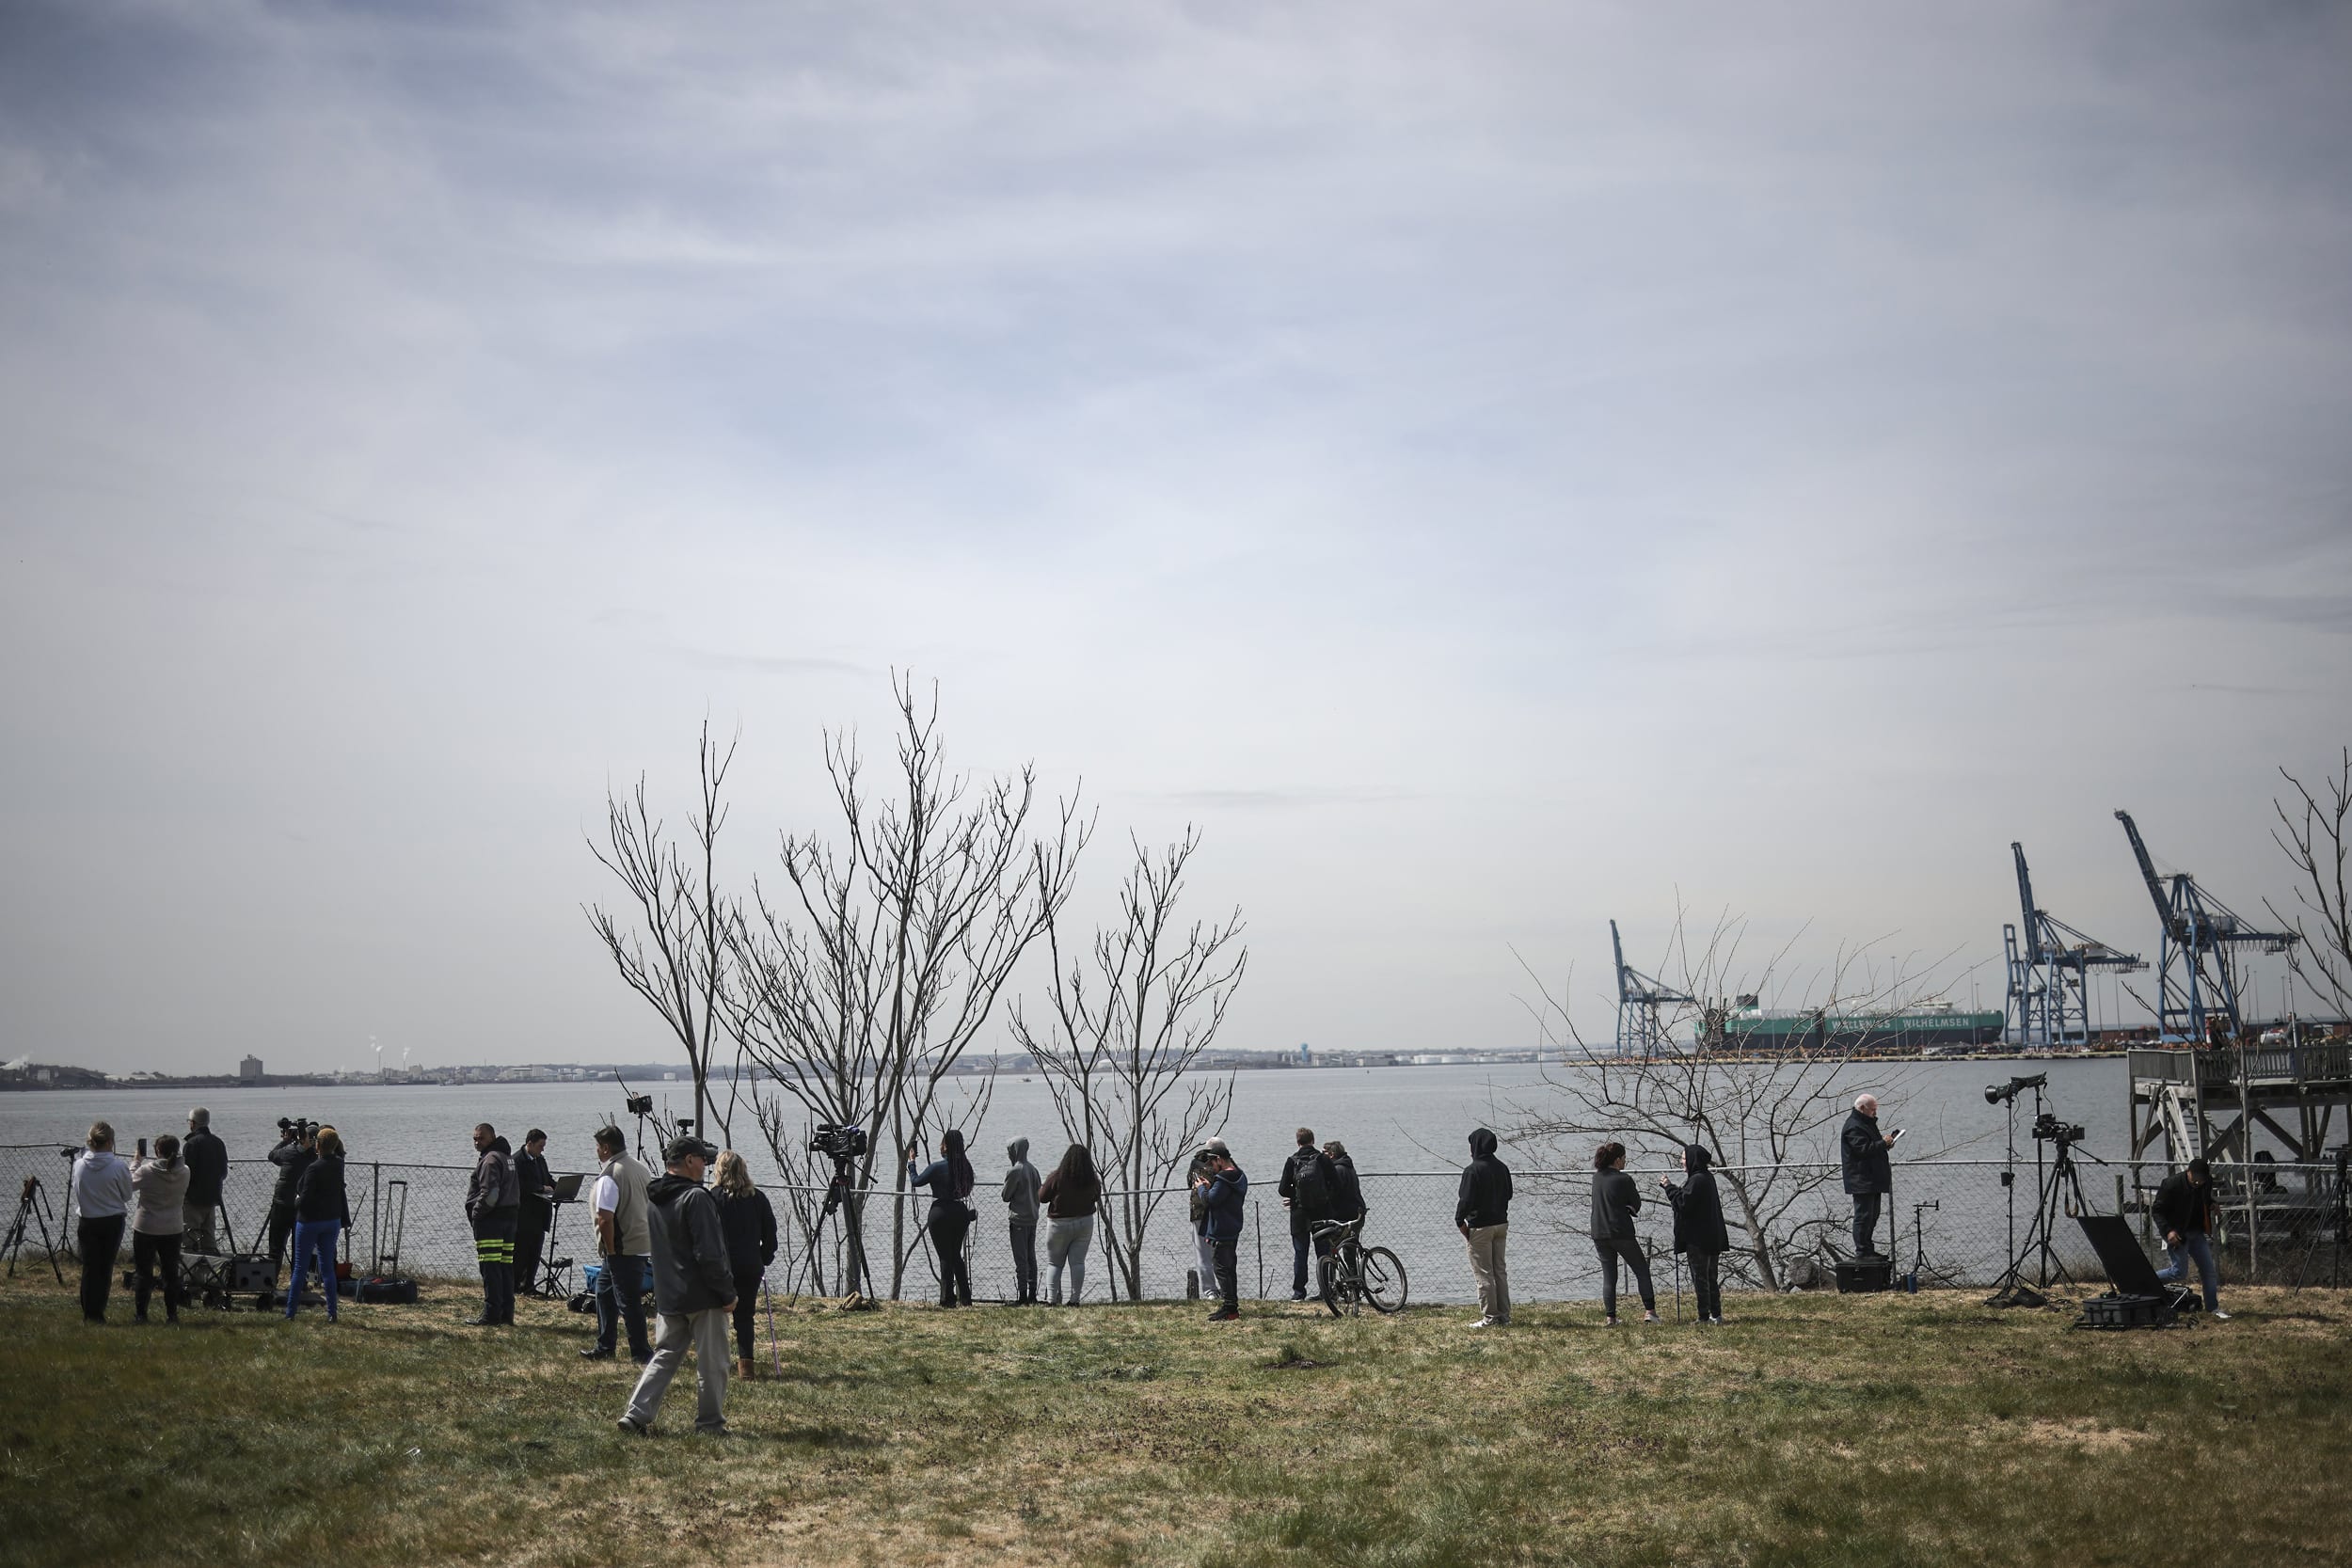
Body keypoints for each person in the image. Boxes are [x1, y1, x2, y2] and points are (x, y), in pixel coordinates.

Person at [619, 1137, 737, 1437]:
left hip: (669, 1294)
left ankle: (635, 1414)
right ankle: (710, 1424)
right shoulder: (696, 1198)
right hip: (702, 1295)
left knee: (665, 1355)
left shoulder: (655, 1199)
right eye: (702, 1159)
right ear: (688, 1161)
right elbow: (710, 1254)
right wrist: (727, 1293)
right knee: (713, 1364)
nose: (705, 1164)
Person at [584, 1126, 655, 1363]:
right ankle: (605, 1346)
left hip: (622, 1249)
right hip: (641, 1243)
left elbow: (605, 1218)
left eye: (597, 1146)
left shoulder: (611, 1175)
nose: (596, 1151)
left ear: (605, 1148)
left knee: (628, 1301)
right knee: (603, 1292)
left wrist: (611, 1250)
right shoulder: (640, 1168)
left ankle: (642, 1353)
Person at [710, 1150, 777, 1379]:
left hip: (720, 1267)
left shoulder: (713, 1198)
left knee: (716, 1315)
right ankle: (746, 1365)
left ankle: (716, 1363)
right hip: (750, 1265)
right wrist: (764, 1257)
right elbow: (770, 1233)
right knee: (745, 1316)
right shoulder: (757, 1198)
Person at [286, 1127, 351, 1322]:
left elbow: (304, 1199)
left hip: (309, 1221)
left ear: (318, 1145)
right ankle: (332, 1313)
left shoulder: (314, 1168)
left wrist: (295, 1200)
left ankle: (290, 1313)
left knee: (300, 1268)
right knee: (327, 1269)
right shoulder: (339, 1164)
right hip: (331, 1220)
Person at [72, 1121, 134, 1324]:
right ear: (110, 1142)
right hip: (112, 1221)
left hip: (87, 1220)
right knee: (105, 1267)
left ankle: (88, 1310)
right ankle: (98, 1310)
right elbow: (126, 1195)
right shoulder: (118, 1166)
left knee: (89, 1267)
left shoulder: (79, 1164)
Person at [908, 1130, 977, 1307]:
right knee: (956, 1255)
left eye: (942, 1143)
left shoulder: (937, 1167)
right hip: (960, 1212)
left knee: (945, 1256)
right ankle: (965, 1297)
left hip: (940, 1212)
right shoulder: (966, 1167)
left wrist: (911, 1162)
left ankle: (947, 1298)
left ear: (945, 1146)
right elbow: (968, 1188)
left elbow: (916, 1181)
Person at [2153, 1157, 2229, 1321]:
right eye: (2195, 1182)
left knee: (2209, 1271)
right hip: (2177, 1234)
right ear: (2188, 1172)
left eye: (2201, 1182)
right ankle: (2147, 1280)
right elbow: (2157, 1211)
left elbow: (2204, 1198)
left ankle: (2213, 1308)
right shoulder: (2171, 1185)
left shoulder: (2206, 1182)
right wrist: (2168, 1232)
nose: (2198, 1184)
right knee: (2179, 1272)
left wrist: (2212, 1204)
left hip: (2196, 1232)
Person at [1662, 1143, 1729, 1325]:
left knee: (1701, 1279)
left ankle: (1704, 1317)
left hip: (1698, 1239)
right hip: (1711, 1236)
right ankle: (1716, 1314)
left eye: (1684, 1158)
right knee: (1711, 1277)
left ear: (1693, 1160)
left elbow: (1683, 1203)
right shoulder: (1707, 1177)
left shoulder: (1697, 1180)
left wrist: (1668, 1187)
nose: (1682, 1162)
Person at [1592, 1142, 1658, 1325]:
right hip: (1621, 1232)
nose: (1625, 1162)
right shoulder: (1624, 1179)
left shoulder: (1596, 1178)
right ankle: (1650, 1312)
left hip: (1599, 1232)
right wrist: (1629, 1207)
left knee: (1609, 1276)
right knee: (1641, 1270)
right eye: (1624, 1159)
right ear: (1618, 1159)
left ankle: (1611, 1317)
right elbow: (1635, 1203)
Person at [128, 1133, 192, 1325]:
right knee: (171, 1273)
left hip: (146, 1226)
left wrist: (135, 1162)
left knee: (143, 1272)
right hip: (172, 1227)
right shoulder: (185, 1171)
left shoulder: (147, 1171)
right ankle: (172, 1315)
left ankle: (141, 1314)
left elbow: (129, 1184)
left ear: (157, 1151)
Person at [465, 1123, 521, 1326]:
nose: (477, 1142)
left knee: (490, 1267)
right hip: (510, 1218)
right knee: (505, 1266)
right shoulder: (508, 1158)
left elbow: (491, 1194)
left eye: (481, 1138)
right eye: (474, 1139)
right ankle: (507, 1313)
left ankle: (491, 1314)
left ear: (492, 1137)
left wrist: (477, 1214)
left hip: (492, 1220)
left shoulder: (489, 1160)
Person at [1455, 1127, 1512, 1329]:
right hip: (1501, 1224)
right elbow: (1509, 1194)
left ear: (1476, 1146)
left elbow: (1466, 1200)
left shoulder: (1472, 1170)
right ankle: (1504, 1315)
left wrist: (1460, 1222)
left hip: (1480, 1227)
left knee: (1484, 1273)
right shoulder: (1502, 1168)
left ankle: (1490, 1317)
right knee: (1500, 1271)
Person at [1278, 1127, 1339, 1302]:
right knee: (1324, 1253)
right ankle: (1327, 1291)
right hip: (1322, 1213)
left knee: (1300, 1254)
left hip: (1299, 1215)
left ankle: (1298, 1293)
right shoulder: (1322, 1159)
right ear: (1313, 1140)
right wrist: (1325, 1196)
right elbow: (1336, 1183)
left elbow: (1282, 1189)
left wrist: (1296, 1195)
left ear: (1298, 1143)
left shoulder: (1292, 1161)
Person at [1038, 1143, 1101, 1306]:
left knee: (1055, 1263)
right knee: (1078, 1263)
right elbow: (1096, 1197)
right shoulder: (1092, 1179)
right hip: (1085, 1223)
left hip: (1059, 1225)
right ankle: (1075, 1299)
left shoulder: (1057, 1177)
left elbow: (1042, 1197)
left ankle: (1051, 1300)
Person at [1841, 1093, 1896, 1258]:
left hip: (1872, 1179)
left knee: (1873, 1216)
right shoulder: (1853, 1126)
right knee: (1863, 1217)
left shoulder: (1866, 1123)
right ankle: (1862, 1251)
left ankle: (1868, 1248)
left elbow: (1872, 1146)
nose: (1875, 1113)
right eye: (1872, 1110)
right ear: (1862, 1108)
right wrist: (1882, 1143)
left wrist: (1885, 1144)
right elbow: (1862, 1149)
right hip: (1861, 1179)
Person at [1198, 1144, 1248, 1322]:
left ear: (1219, 1160)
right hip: (1233, 1227)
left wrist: (1202, 1188)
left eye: (1212, 1163)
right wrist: (1212, 1185)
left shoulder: (1223, 1179)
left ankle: (1229, 1308)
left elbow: (1210, 1200)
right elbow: (1223, 1196)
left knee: (1221, 1269)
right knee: (1230, 1269)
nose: (1212, 1167)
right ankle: (1231, 1305)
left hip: (1221, 1230)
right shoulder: (1239, 1176)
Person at [265, 1121, 317, 1275]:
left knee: (275, 1247)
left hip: (281, 1204)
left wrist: (286, 1140)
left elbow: (272, 1155)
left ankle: (271, 1281)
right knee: (300, 1249)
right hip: (302, 1208)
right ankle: (298, 1283)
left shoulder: (288, 1151)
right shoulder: (316, 1159)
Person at [514, 1129, 556, 1304]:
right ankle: (516, 1286)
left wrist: (559, 1187)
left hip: (540, 1216)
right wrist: (540, 1188)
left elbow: (547, 1179)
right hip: (524, 1216)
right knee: (521, 1253)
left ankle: (529, 1285)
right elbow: (518, 1185)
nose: (542, 1150)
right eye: (540, 1146)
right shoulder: (517, 1160)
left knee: (535, 1253)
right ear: (529, 1144)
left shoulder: (540, 1160)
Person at [1184, 1140, 1229, 1297]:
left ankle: (1210, 1291)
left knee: (1202, 1254)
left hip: (1197, 1211)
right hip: (1216, 1212)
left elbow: (1189, 1181)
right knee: (1220, 1253)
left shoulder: (1195, 1163)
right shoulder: (1220, 1163)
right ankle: (1225, 1288)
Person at [182, 1108, 228, 1256]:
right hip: (213, 1197)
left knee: (190, 1238)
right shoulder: (218, 1142)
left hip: (193, 1198)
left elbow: (186, 1172)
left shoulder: (191, 1144)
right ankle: (212, 1272)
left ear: (193, 1123)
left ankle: (189, 1272)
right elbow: (223, 1172)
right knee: (209, 1237)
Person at [1002, 1137, 1041, 1306]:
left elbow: (1005, 1196)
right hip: (1032, 1218)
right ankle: (1033, 1294)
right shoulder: (1033, 1170)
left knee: (1021, 1259)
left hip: (1018, 1220)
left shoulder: (1015, 1171)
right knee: (1031, 1257)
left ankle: (1023, 1296)